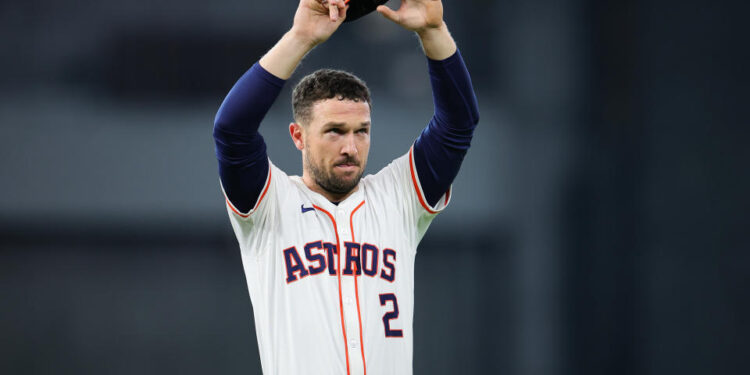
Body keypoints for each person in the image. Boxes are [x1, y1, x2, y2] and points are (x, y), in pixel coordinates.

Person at [213, 0, 479, 373]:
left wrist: (433, 32)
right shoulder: (269, 205)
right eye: (334, 132)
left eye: (361, 132)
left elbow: (458, 124)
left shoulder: (397, 197)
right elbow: (231, 130)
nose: (350, 147)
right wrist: (301, 37)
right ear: (298, 136)